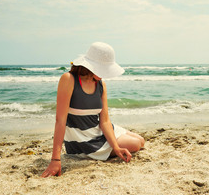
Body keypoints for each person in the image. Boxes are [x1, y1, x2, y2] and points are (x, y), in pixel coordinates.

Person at [41, 42, 144, 178]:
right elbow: (60, 120)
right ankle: (98, 151)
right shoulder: (69, 79)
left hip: (99, 131)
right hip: (84, 140)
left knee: (140, 140)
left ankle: (113, 145)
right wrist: (55, 159)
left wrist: (116, 147)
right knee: (136, 144)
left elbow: (105, 121)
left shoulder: (101, 85)